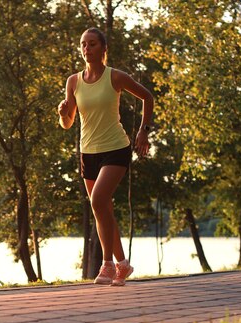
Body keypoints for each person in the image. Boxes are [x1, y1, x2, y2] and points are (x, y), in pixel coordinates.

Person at [58, 27, 154, 286]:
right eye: (83, 44)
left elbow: (148, 97)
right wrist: (63, 112)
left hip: (115, 148)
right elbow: (68, 123)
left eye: (91, 44)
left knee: (98, 200)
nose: (86, 49)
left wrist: (143, 132)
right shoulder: (73, 82)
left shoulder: (116, 77)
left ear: (103, 48)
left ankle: (107, 264)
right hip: (87, 152)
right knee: (104, 210)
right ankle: (123, 265)